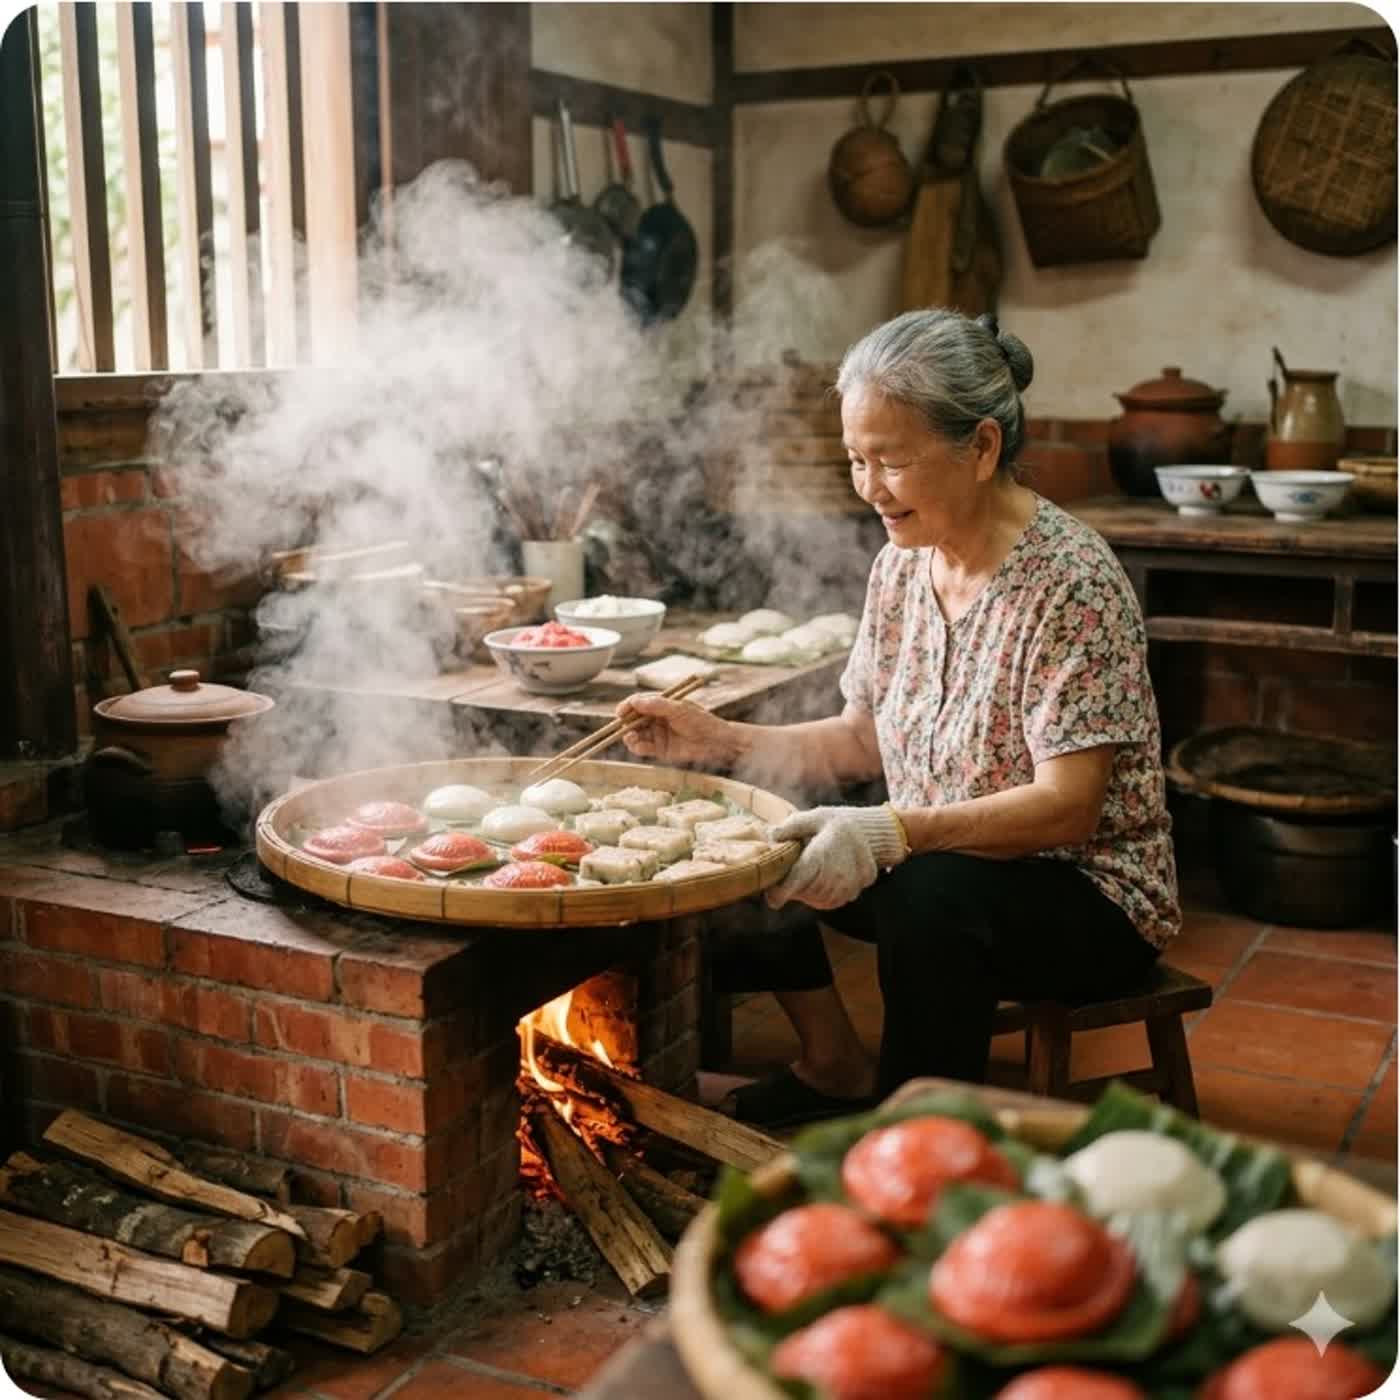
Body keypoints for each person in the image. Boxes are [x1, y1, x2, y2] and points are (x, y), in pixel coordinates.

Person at [616, 308, 1180, 1128]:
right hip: (929, 858)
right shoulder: (902, 566)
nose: (869, 487)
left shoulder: (1071, 583)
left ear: (982, 448)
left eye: (892, 461)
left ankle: (914, 1147)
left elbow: (1070, 806)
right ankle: (834, 1064)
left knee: (931, 895)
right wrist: (719, 741)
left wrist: (891, 833)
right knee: (729, 828)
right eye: (856, 460)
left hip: (1087, 897)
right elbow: (860, 737)